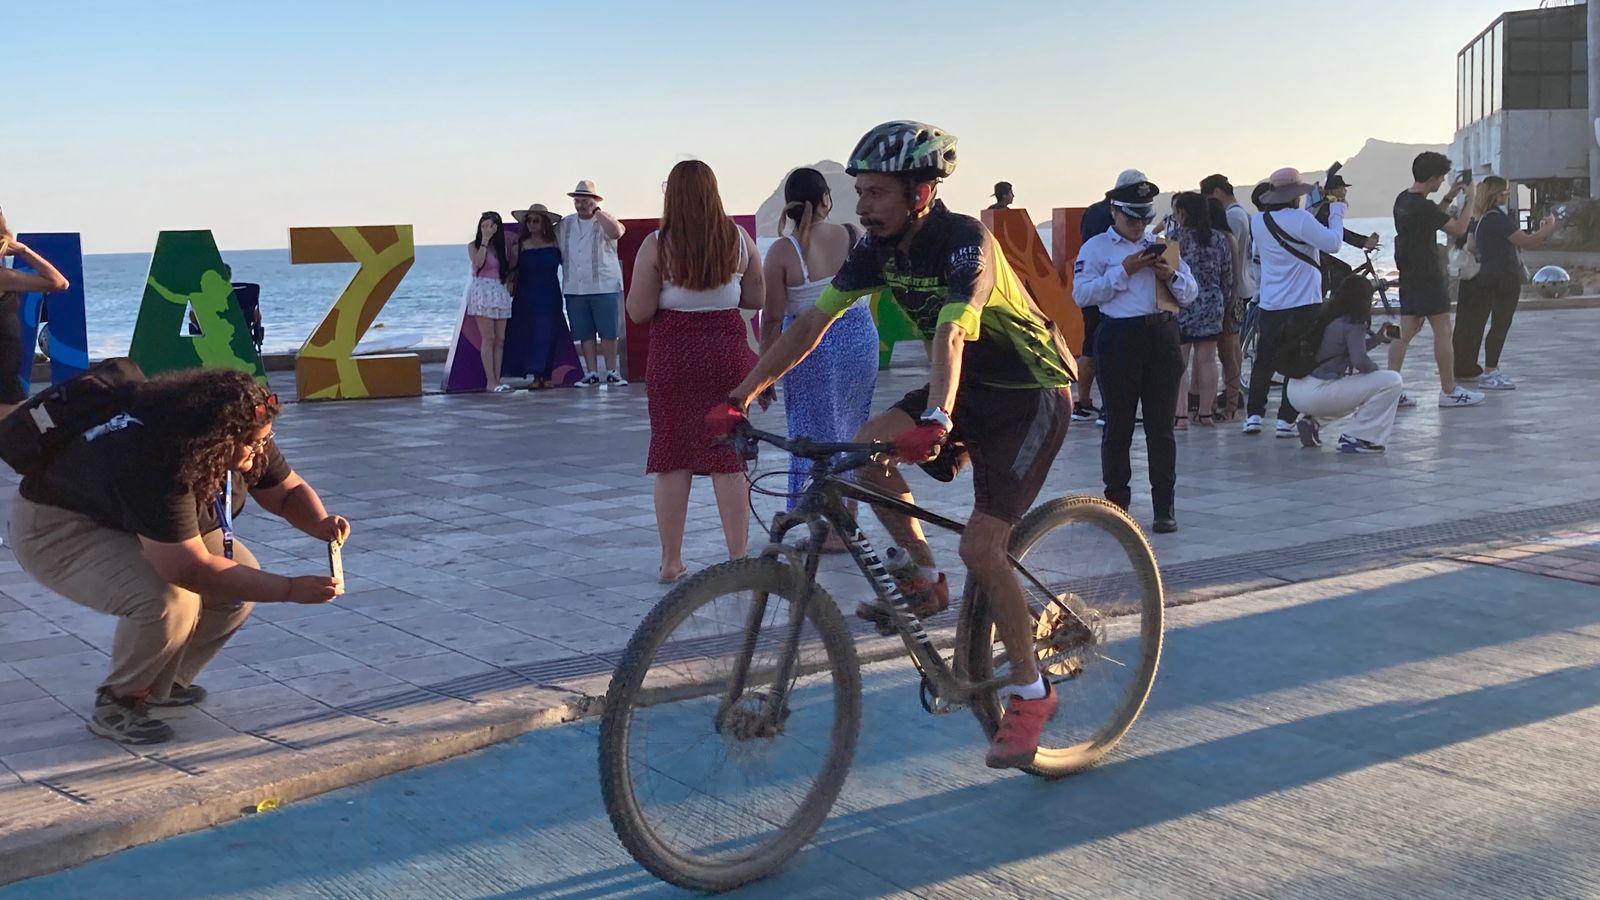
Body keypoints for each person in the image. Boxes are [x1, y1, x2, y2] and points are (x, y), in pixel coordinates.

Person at [712, 121, 1075, 770]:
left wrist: (935, 415)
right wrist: (743, 393)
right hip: (959, 389)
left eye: (877, 192)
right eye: (859, 192)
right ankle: (926, 574)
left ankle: (1030, 689)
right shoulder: (873, 250)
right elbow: (812, 324)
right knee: (864, 447)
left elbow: (951, 336)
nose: (864, 206)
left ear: (921, 191)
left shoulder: (965, 243)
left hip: (1027, 390)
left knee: (984, 546)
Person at [7, 370, 347, 744]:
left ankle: (159, 684)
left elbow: (286, 492)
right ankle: (119, 702)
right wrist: (289, 589)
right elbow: (191, 569)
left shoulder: (247, 434)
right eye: (252, 445)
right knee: (168, 599)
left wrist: (319, 523)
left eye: (266, 441)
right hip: (61, 528)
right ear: (214, 439)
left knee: (239, 582)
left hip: (130, 515)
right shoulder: (159, 458)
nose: (258, 455)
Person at [626, 160, 764, 584]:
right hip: (726, 353)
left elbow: (638, 311)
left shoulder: (656, 244)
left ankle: (671, 561)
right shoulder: (739, 241)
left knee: (672, 456)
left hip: (673, 357)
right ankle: (738, 557)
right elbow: (755, 298)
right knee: (728, 459)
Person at [1073, 173, 1197, 533]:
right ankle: (1117, 503)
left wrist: (1170, 274)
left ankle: (1164, 507)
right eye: (1132, 219)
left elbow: (1189, 293)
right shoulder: (1096, 248)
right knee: (1118, 425)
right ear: (1115, 213)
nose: (1139, 226)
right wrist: (1124, 271)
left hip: (1161, 334)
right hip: (1119, 338)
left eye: (1145, 217)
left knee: (1161, 428)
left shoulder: (1160, 244)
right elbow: (1082, 295)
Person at [760, 167, 876, 546]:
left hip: (814, 348)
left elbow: (773, 319)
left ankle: (824, 532)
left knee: (811, 438)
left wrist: (765, 374)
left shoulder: (782, 250)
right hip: (860, 337)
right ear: (826, 198)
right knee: (850, 433)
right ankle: (848, 526)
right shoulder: (851, 234)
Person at [1244, 168, 1348, 438]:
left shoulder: (1258, 221)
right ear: (1294, 196)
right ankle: (1285, 420)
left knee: (1263, 361)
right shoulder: (1301, 218)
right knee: (1298, 361)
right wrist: (1337, 211)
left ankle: (1254, 415)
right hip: (1303, 303)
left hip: (1271, 303)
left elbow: (1292, 230)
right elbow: (1333, 243)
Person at [1387, 153, 1482, 408]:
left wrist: (1450, 196)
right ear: (1431, 178)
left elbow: (1431, 220)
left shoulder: (1403, 200)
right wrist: (1471, 198)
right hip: (1428, 274)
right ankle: (1449, 391)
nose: (1442, 182)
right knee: (1443, 331)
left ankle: (1390, 390)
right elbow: (1459, 228)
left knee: (1404, 332)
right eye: (1440, 178)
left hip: (1409, 274)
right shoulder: (1422, 206)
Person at [1453, 176, 1559, 391]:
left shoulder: (1480, 218)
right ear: (1497, 195)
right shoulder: (1497, 218)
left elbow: (1472, 247)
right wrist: (1549, 228)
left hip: (1487, 276)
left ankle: (1477, 369)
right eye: (1505, 192)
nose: (1508, 195)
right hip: (1505, 277)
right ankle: (1491, 371)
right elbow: (1527, 242)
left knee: (1487, 324)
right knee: (1500, 325)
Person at [1285, 276, 1404, 454]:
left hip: (1295, 388)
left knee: (1357, 392)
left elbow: (1344, 349)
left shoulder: (1328, 314)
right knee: (1392, 381)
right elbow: (1360, 361)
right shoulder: (1352, 323)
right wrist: (1376, 374)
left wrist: (1377, 340)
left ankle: (1313, 422)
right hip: (1317, 392)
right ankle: (1360, 437)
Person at [1073, 170, 1144, 427]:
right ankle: (1108, 407)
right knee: (1103, 352)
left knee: (1089, 345)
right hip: (1111, 292)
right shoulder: (1112, 217)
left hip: (1094, 285)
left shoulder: (1092, 211)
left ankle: (1083, 401)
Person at [1168, 192, 1232, 429]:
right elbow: (1227, 274)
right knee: (1207, 360)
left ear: (1182, 213)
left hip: (1182, 304)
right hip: (1212, 303)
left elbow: (1166, 274)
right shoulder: (1219, 239)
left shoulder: (1174, 239)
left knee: (1179, 362)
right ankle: (1206, 413)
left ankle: (1180, 415)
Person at [0, 209, 71, 418]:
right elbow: (58, 282)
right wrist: (23, 251)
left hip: (6, 372)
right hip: (4, 377)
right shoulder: (4, 278)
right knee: (18, 442)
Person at [559, 180, 628, 386]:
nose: (581, 205)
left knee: (609, 331)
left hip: (604, 285)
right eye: (577, 201)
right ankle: (590, 372)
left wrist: (597, 211)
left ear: (595, 201)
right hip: (575, 287)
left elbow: (616, 232)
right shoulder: (565, 224)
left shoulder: (606, 220)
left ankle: (611, 370)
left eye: (585, 201)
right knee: (584, 332)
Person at [1202, 175, 1254, 420]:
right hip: (1237, 291)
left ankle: (1231, 401)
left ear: (1217, 193)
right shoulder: (1240, 214)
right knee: (1229, 350)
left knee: (1228, 351)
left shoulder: (1231, 222)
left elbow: (1229, 265)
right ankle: (1229, 398)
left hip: (1231, 295)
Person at [506, 204, 571, 390]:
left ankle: (547, 375)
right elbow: (511, 271)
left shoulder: (556, 243)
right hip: (527, 296)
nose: (532, 224)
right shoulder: (520, 246)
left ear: (544, 223)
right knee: (532, 334)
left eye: (536, 220)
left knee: (550, 334)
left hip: (550, 294)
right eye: (529, 220)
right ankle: (536, 376)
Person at [463, 211, 515, 393]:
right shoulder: (473, 246)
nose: (487, 229)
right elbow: (477, 263)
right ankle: (490, 382)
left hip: (499, 291)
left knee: (500, 339)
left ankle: (497, 379)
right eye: (483, 225)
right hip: (483, 292)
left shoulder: (501, 248)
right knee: (489, 338)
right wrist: (484, 240)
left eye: (490, 226)